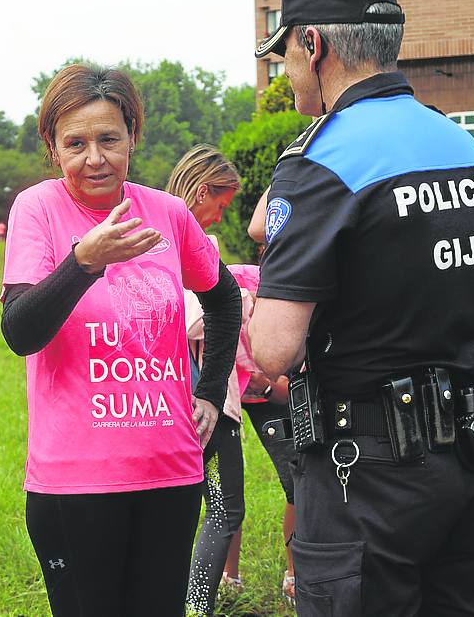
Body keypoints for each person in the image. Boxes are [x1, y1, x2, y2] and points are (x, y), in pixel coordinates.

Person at [247, 0, 474, 615]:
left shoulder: (320, 163)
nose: (285, 71)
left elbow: (274, 350)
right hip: (473, 458)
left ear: (313, 45)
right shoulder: (471, 154)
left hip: (366, 475)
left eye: (285, 54)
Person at [0, 64, 242, 617]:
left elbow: (225, 300)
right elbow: (20, 331)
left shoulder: (169, 213)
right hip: (74, 482)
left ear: (132, 134)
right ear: (52, 147)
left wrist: (208, 392)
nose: (95, 158)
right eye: (76, 143)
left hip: (171, 470)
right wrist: (83, 262)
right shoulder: (38, 209)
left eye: (109, 139)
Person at [163, 146, 294, 614]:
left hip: (165, 399)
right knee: (224, 509)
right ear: (201, 193)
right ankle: (197, 607)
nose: (221, 215)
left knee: (197, 508)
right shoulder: (189, 244)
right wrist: (232, 298)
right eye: (220, 204)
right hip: (206, 402)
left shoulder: (152, 233)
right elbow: (186, 318)